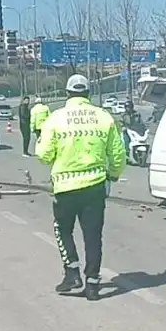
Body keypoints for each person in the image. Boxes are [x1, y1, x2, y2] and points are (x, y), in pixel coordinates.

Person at [36, 74, 126, 301]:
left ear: (68, 94)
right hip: (95, 186)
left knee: (62, 230)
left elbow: (44, 155)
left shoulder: (56, 119)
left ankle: (72, 272)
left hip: (65, 187)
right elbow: (117, 153)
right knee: (93, 236)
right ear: (88, 94)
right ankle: (93, 285)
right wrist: (113, 175)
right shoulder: (103, 117)